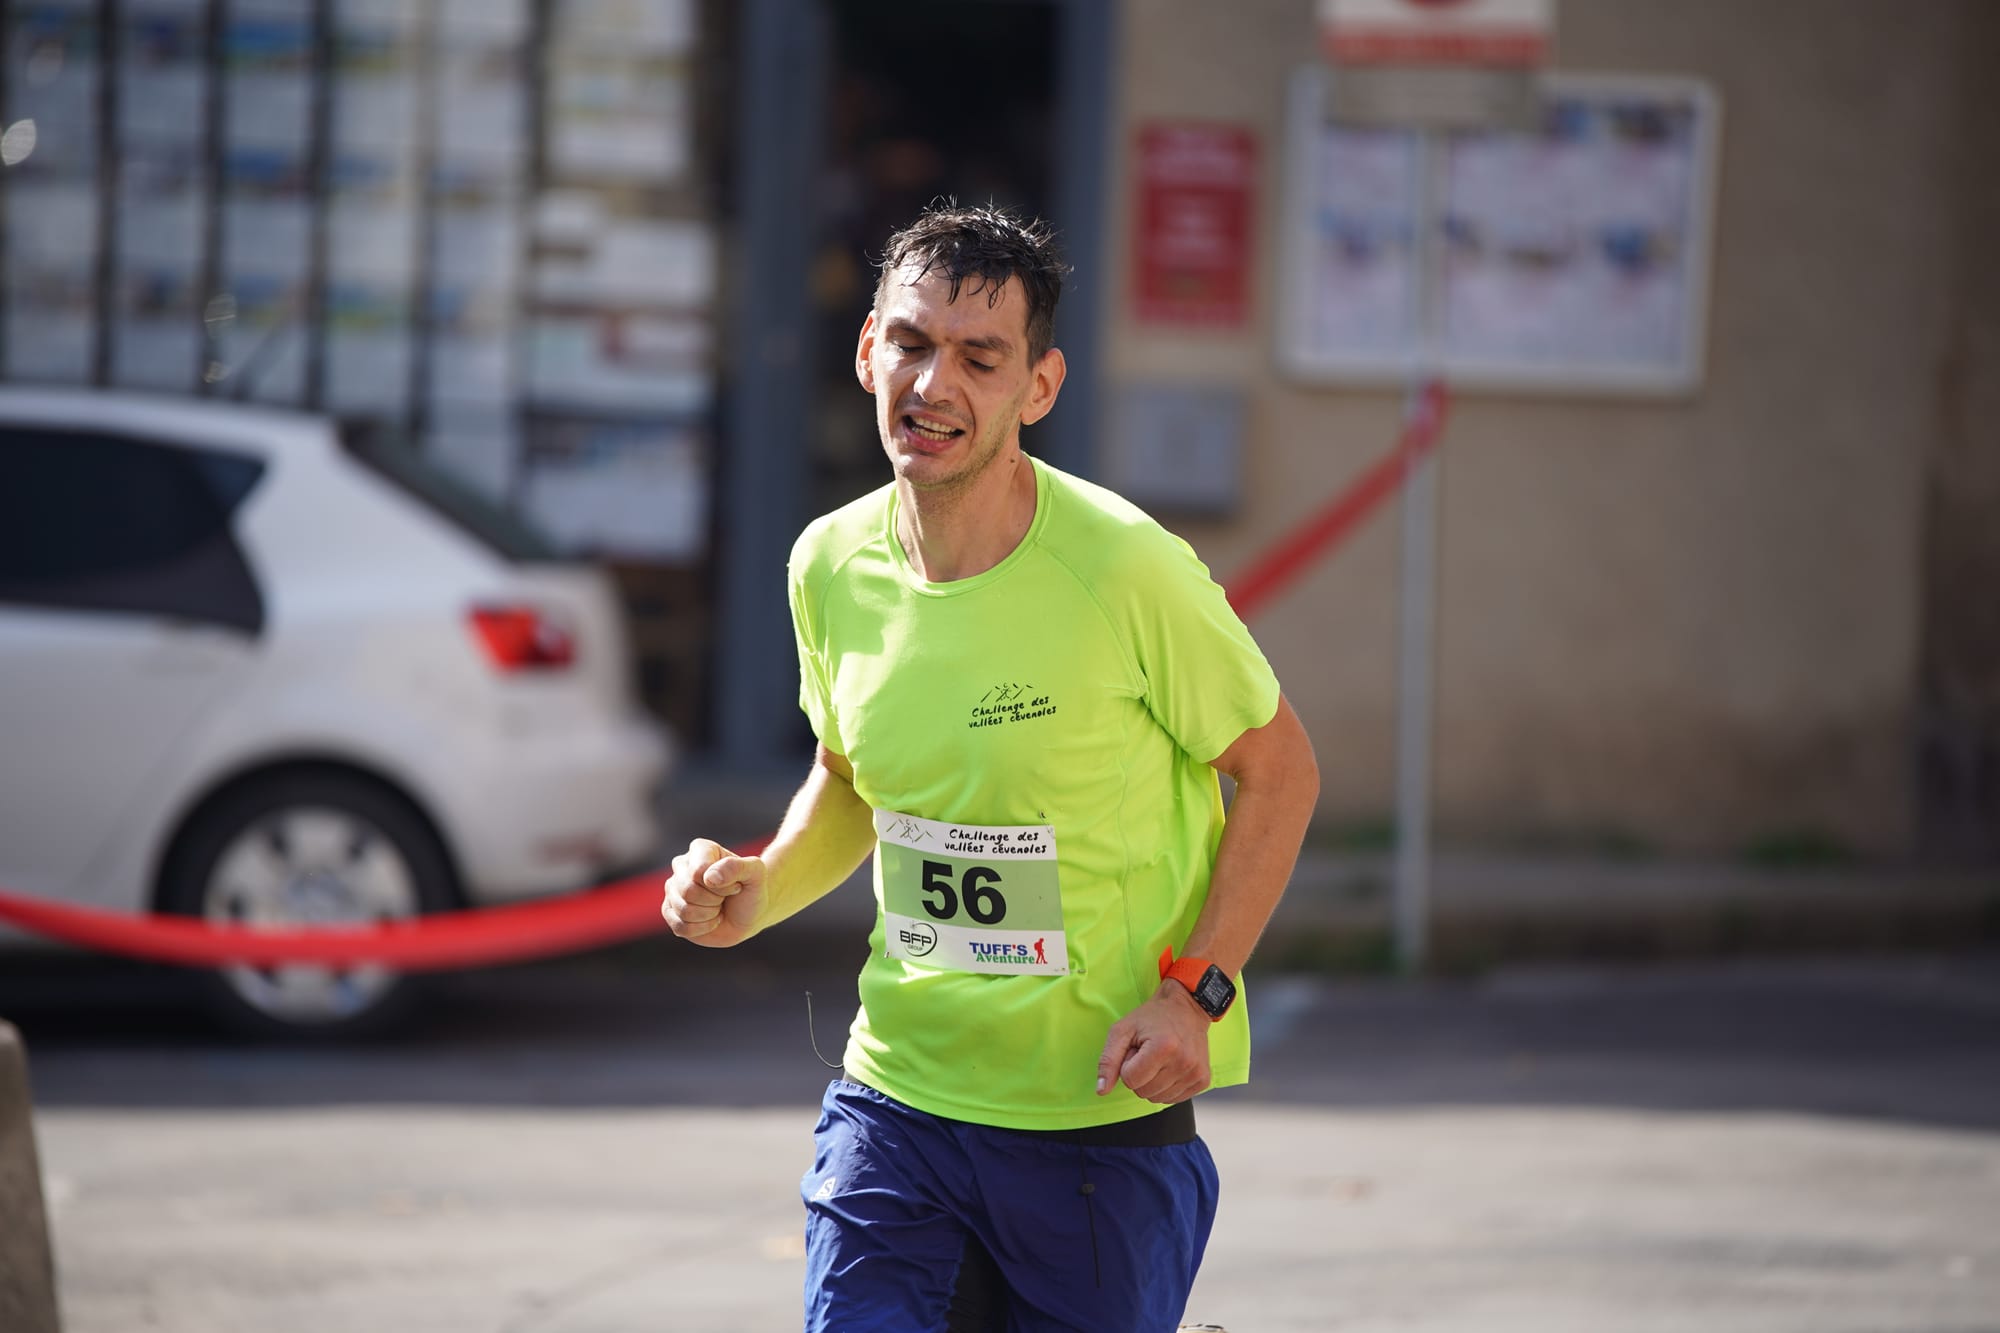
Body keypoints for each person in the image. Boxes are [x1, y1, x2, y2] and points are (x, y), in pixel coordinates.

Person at [662, 203, 1319, 1333]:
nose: (934, 385)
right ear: (866, 349)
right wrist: (757, 889)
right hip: (897, 1103)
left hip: (1093, 1128)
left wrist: (1192, 993)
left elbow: (1280, 772)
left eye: (979, 358)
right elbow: (851, 777)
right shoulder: (826, 564)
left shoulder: (1124, 569)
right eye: (911, 345)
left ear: (1039, 386)